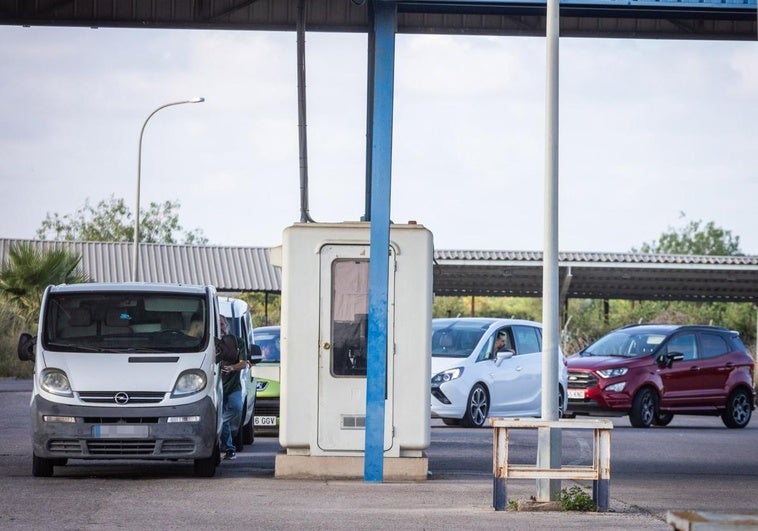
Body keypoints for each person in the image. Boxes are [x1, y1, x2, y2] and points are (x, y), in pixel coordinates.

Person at [219, 316, 247, 460]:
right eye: (217, 325)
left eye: (222, 324)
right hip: (217, 387)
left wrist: (231, 367)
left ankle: (219, 424)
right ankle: (230, 449)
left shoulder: (237, 342)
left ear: (227, 325)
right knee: (223, 419)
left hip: (233, 386)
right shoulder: (210, 342)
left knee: (236, 408)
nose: (221, 327)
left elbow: (244, 363)